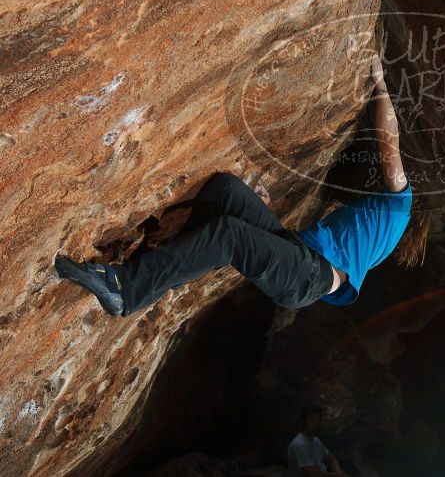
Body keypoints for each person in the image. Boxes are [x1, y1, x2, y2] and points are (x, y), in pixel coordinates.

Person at [54, 53, 415, 316]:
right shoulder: (377, 234)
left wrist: (380, 84)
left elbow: (389, 141)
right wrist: (265, 214)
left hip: (310, 277)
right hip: (298, 255)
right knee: (224, 191)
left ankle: (124, 288)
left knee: (230, 235)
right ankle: (153, 276)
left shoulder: (400, 204)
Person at [286, 405, 347, 477]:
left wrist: (338, 472)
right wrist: (339, 475)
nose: (316, 423)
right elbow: (314, 475)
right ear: (303, 422)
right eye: (312, 419)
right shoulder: (300, 445)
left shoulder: (315, 440)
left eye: (319, 420)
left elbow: (331, 458)